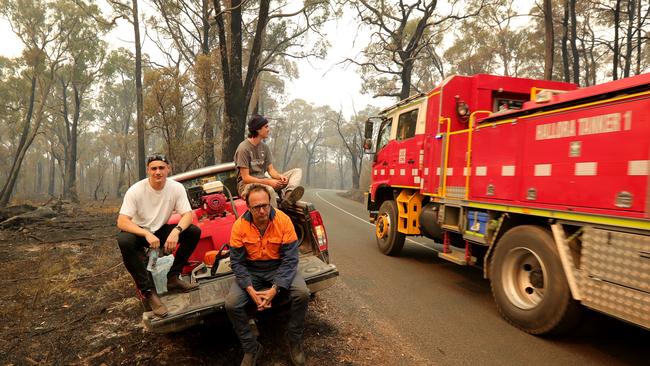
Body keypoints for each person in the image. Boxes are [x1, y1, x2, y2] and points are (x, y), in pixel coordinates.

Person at [225, 184, 310, 366]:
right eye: (256, 207)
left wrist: (275, 289)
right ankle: (251, 348)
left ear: (270, 203)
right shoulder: (239, 226)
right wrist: (250, 290)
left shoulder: (284, 220)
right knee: (232, 304)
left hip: (279, 266)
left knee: (302, 293)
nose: (262, 210)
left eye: (265, 205)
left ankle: (294, 340)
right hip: (252, 270)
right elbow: (237, 263)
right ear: (248, 207)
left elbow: (290, 260)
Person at [116, 154, 201, 318]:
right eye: (154, 168)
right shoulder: (136, 190)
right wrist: (146, 233)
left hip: (160, 230)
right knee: (124, 240)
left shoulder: (176, 187)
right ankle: (149, 293)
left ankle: (173, 277)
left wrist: (176, 231)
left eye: (161, 168)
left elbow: (187, 215)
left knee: (193, 232)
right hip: (139, 232)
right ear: (148, 170)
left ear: (168, 169)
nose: (158, 172)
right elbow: (122, 221)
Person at [234, 114, 304, 209]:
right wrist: (269, 182)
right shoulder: (243, 148)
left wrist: (280, 177)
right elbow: (246, 178)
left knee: (297, 171)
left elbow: (271, 170)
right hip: (246, 186)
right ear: (258, 129)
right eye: (266, 127)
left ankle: (288, 196)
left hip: (265, 181)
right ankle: (275, 219)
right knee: (269, 189)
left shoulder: (265, 148)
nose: (268, 129)